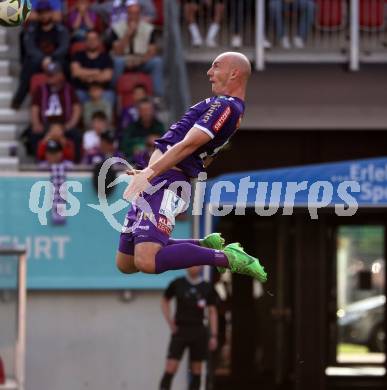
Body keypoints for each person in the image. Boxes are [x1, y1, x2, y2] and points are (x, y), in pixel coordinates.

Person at [116, 51, 268, 284]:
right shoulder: (224, 107)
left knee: (146, 261)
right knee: (126, 263)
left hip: (164, 181)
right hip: (158, 178)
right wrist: (151, 171)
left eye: (216, 67)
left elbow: (188, 145)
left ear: (234, 73)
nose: (209, 72)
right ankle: (203, 245)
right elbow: (204, 155)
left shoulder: (226, 106)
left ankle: (228, 258)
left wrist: (149, 172)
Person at [159, 266, 218, 390]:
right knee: (171, 366)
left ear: (201, 267)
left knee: (196, 370)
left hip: (199, 331)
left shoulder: (207, 287)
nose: (194, 267)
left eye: (197, 264)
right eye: (191, 264)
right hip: (180, 330)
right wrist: (170, 322)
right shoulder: (177, 283)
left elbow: (212, 311)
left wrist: (214, 335)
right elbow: (164, 300)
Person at [11, 1, 69, 109]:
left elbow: (63, 48)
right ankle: (18, 99)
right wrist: (43, 59)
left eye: (46, 13)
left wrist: (51, 58)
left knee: (66, 66)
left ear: (51, 13)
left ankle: (69, 99)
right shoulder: (32, 30)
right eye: (41, 13)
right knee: (28, 67)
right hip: (38, 62)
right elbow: (30, 48)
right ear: (38, 14)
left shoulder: (61, 30)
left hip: (55, 61)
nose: (44, 16)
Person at [30, 62, 81, 158]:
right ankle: (37, 162)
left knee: (77, 135)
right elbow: (34, 108)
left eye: (52, 75)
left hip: (64, 125)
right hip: (46, 125)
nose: (49, 77)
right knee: (34, 135)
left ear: (61, 75)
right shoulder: (40, 89)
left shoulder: (69, 89)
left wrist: (70, 125)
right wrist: (36, 124)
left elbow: (77, 108)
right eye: (48, 74)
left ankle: (76, 162)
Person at [112, 2, 164, 97]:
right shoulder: (117, 28)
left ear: (140, 15)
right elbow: (117, 52)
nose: (133, 16)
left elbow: (152, 52)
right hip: (125, 61)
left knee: (157, 61)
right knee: (117, 61)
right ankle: (115, 93)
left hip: (142, 60)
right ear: (127, 14)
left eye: (136, 14)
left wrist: (139, 61)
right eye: (131, 13)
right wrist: (127, 35)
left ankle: (158, 97)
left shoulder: (148, 28)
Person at [71, 30, 114, 103]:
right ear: (85, 41)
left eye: (94, 39)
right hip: (83, 90)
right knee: (77, 95)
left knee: (109, 96)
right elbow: (76, 72)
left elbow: (107, 76)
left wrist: (87, 77)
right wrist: (96, 71)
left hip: (101, 91)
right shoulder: (78, 55)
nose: (92, 41)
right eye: (89, 39)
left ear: (99, 41)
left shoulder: (106, 57)